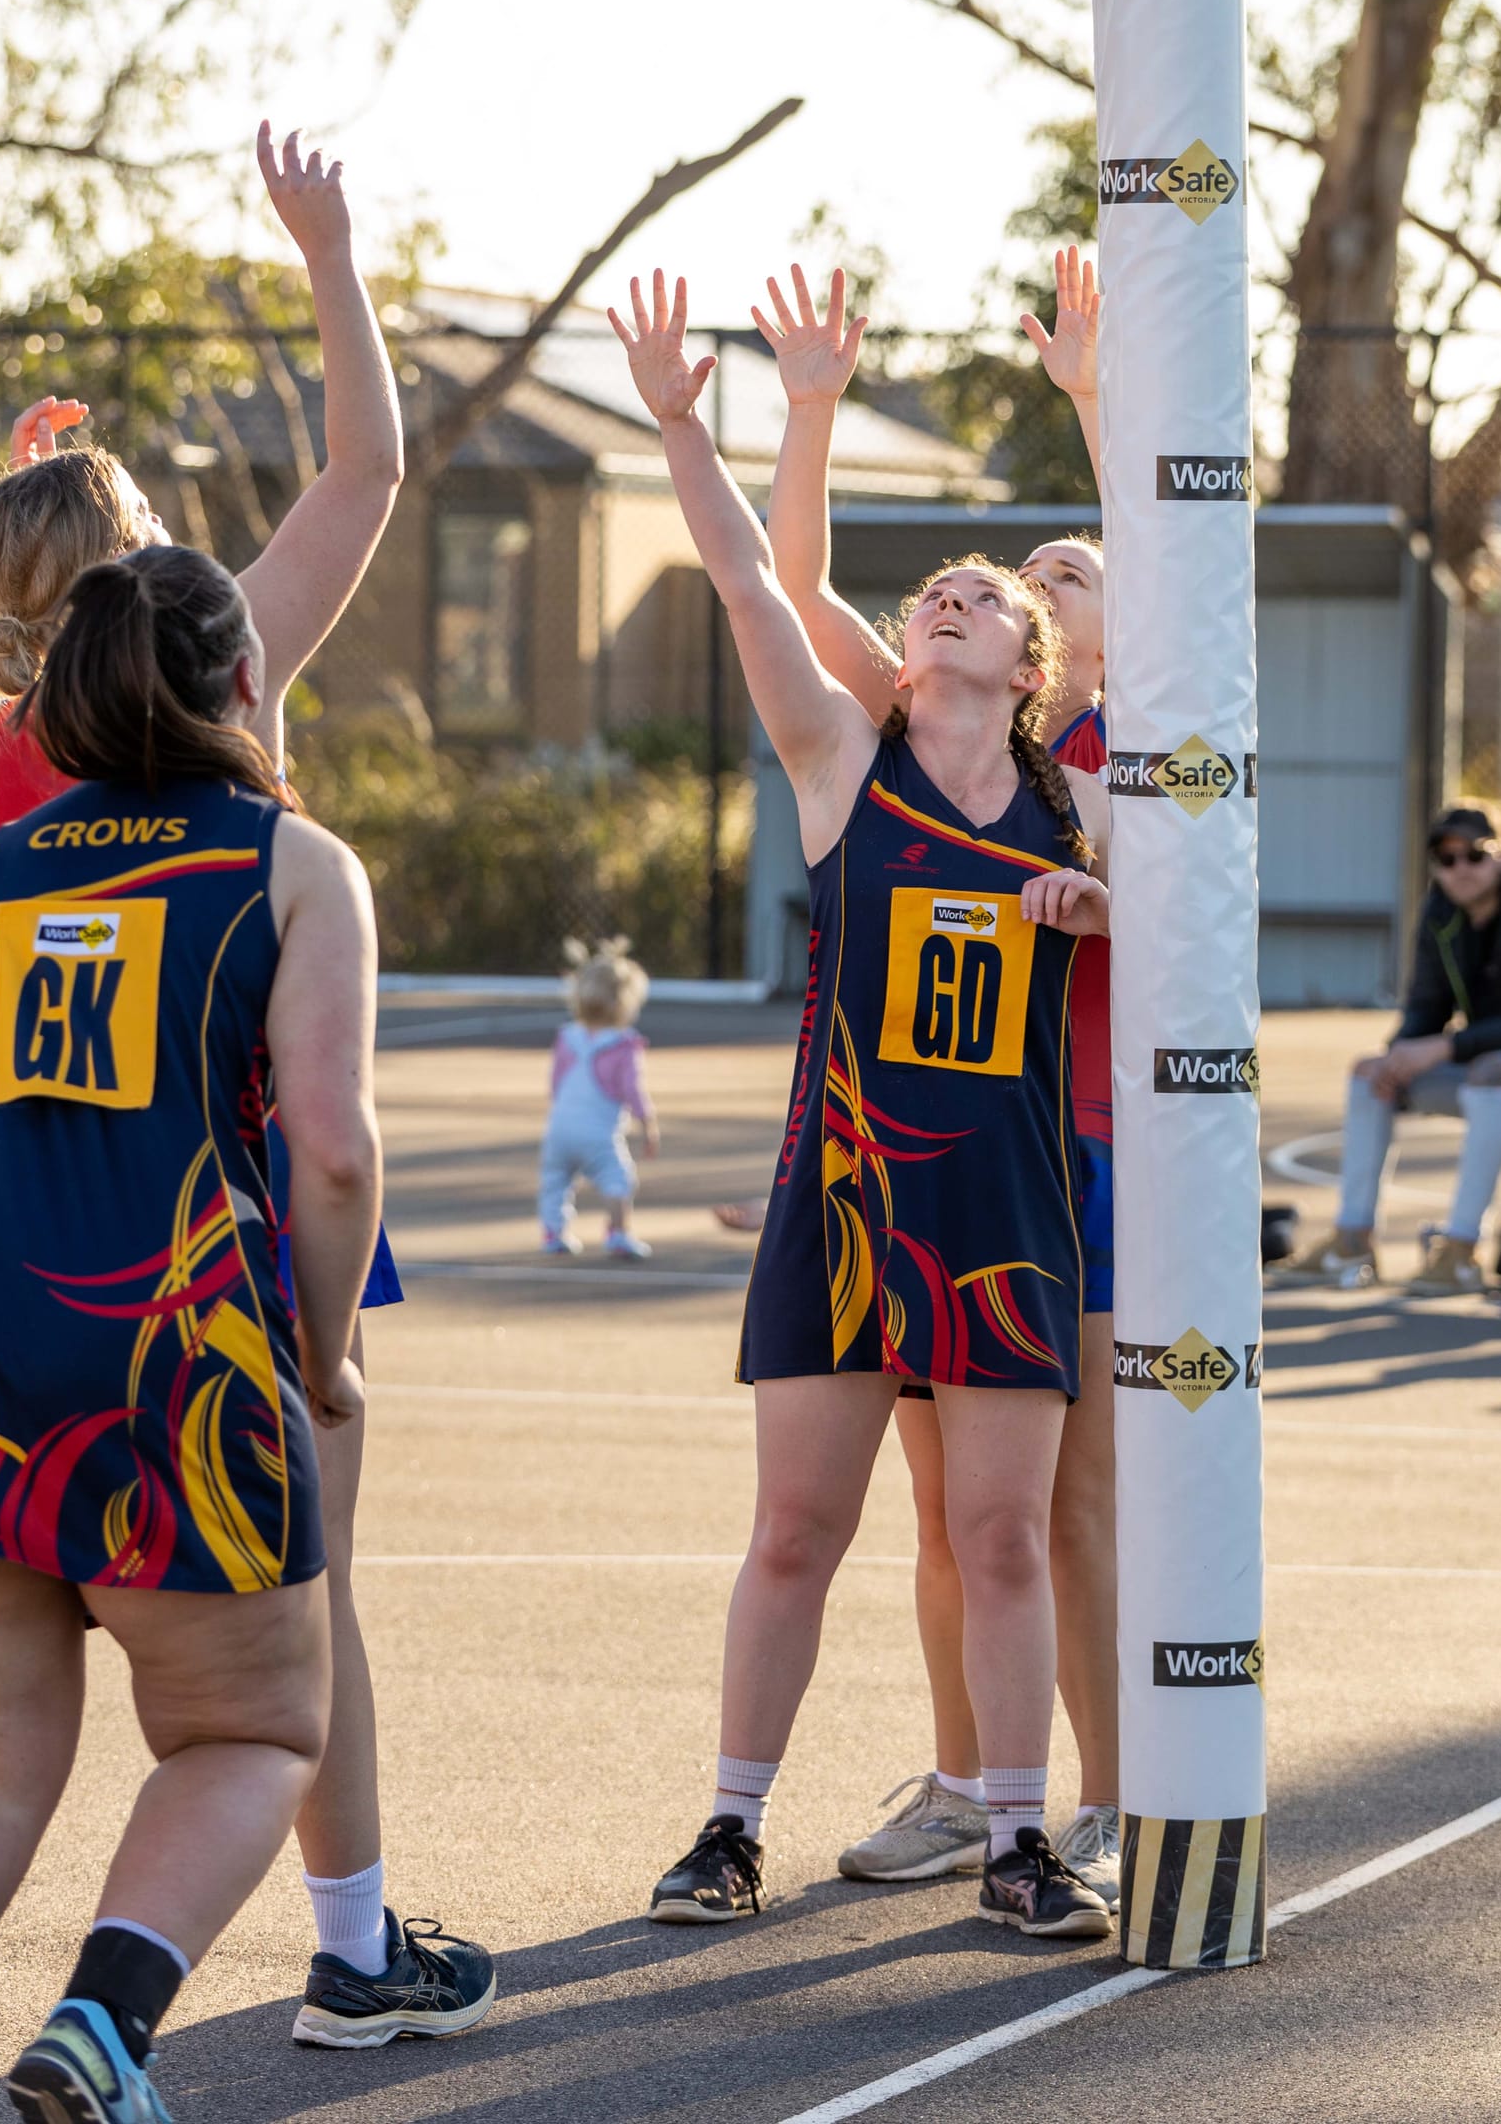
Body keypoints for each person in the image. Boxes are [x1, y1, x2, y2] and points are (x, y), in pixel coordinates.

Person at [0, 128, 473, 2063]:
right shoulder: (218, 695)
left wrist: (35, 491)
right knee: (284, 1620)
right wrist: (330, 255)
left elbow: (53, 591)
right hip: (219, 1211)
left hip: (7, 1231)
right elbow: (367, 472)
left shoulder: (16, 747)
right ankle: (345, 1943)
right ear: (181, 604)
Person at [611, 272, 1112, 1946]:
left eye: (989, 592)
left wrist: (1102, 907)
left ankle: (1019, 1845)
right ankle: (729, 1825)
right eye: (939, 589)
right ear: (904, 654)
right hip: (845, 1201)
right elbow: (758, 580)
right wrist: (727, 420)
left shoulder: (1075, 813)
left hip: (1004, 1206)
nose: (958, 592)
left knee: (1001, 1535)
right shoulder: (848, 766)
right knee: (797, 1528)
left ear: (1035, 663)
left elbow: (1186, 653)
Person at [750, 255, 1119, 1910]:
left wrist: (1101, 402)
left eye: (1056, 573)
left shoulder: (1117, 765)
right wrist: (803, 415)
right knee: (941, 1509)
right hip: (915, 1167)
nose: (1012, 580)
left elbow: (1174, 593)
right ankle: (979, 1780)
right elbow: (789, 580)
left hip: (1077, 1153)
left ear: (1063, 647)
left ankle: (1097, 1800)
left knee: (1056, 1508)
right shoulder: (913, 745)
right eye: (984, 573)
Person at [1275, 801, 1501, 1295]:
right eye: (1447, 857)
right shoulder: (1440, 912)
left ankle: (1461, 1251)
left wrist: (1441, 1048)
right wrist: (1398, 1055)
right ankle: (1352, 1240)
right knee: (1369, 1074)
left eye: (1475, 855)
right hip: (1489, 1061)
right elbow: (1424, 1008)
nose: (1460, 868)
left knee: (1490, 1075)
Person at [540, 937, 659, 1259]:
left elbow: (555, 1082)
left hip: (559, 1127)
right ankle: (618, 1233)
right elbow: (634, 1090)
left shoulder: (567, 1036)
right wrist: (648, 1123)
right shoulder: (624, 1045)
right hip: (597, 1133)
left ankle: (554, 1232)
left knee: (555, 1180)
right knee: (618, 1178)